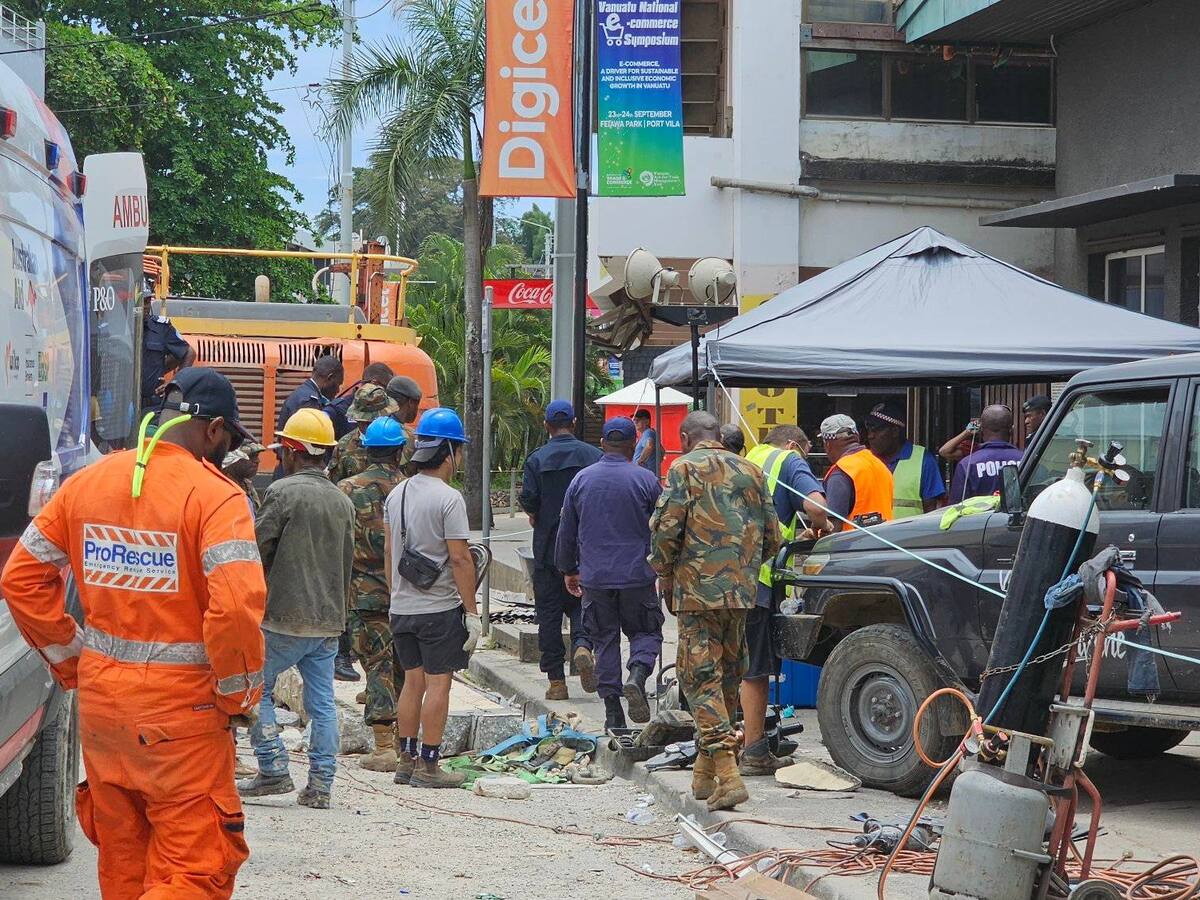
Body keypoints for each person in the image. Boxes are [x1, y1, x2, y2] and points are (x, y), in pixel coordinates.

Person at [1, 367, 265, 898]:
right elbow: (235, 607)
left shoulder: (89, 482)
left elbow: (21, 578)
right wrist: (239, 694)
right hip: (182, 723)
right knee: (195, 870)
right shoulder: (216, 497)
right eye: (228, 439)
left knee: (126, 866)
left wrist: (75, 661)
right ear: (213, 430)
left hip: (103, 713)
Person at [650, 411, 780, 812]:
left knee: (698, 679)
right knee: (726, 676)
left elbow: (666, 529)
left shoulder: (683, 468)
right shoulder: (751, 470)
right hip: (742, 591)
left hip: (697, 592)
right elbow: (773, 535)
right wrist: (743, 568)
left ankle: (728, 771)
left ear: (686, 437)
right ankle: (704, 777)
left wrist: (663, 569)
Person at [240, 408, 355, 810]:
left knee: (256, 691)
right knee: (322, 704)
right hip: (327, 621)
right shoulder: (343, 502)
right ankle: (321, 785)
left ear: (291, 450)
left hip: (282, 617)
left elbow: (255, 552)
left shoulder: (282, 493)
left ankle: (273, 769)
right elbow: (347, 563)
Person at [384, 408, 482, 789]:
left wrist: (397, 595)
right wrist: (472, 613)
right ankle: (429, 765)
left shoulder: (398, 493)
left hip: (401, 608)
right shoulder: (449, 498)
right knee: (439, 684)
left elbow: (391, 551)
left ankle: (405, 761)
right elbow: (459, 558)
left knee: (412, 683)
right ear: (449, 451)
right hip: (437, 609)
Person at [556, 417, 663, 730]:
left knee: (604, 641)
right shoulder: (646, 481)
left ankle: (614, 713)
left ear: (602, 443)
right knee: (646, 632)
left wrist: (568, 569)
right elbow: (663, 529)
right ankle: (638, 675)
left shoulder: (581, 481)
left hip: (596, 577)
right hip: (638, 576)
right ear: (634, 445)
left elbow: (567, 530)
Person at [741, 424, 828, 774]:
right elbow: (817, 505)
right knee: (755, 670)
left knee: (732, 664)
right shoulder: (788, 460)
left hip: (726, 578)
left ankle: (727, 742)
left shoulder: (749, 458)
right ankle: (754, 751)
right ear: (794, 444)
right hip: (760, 580)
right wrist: (824, 527)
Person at [519, 400, 603, 700]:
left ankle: (556, 682)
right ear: (575, 422)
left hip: (547, 550)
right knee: (584, 604)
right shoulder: (594, 456)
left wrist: (536, 513)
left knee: (549, 615)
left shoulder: (537, 459)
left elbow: (528, 499)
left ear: (546, 426)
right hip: (587, 549)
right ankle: (582, 644)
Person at [337, 417, 408, 772]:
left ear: (366, 450)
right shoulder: (409, 488)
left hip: (363, 593)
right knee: (402, 664)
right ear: (399, 450)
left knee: (377, 665)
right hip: (408, 592)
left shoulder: (347, 489)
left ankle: (384, 746)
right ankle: (403, 739)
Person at [864, 402, 946, 518]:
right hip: (868, 534)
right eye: (869, 429)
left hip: (909, 535)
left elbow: (932, 510)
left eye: (876, 430)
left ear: (895, 431)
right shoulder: (865, 460)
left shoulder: (923, 460)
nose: (870, 436)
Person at [817, 414, 894, 533]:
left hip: (852, 548)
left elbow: (833, 528)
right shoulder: (879, 465)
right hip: (884, 545)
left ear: (827, 444)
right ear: (857, 437)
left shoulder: (841, 473)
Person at [949, 404, 1024, 502]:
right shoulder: (1025, 459)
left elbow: (956, 507)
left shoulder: (968, 464)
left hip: (978, 518)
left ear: (981, 430)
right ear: (1012, 430)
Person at [330, 383, 401, 484]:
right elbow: (335, 486)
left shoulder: (405, 439)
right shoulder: (344, 446)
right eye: (364, 422)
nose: (367, 426)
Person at [139, 292, 196, 415]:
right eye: (140, 301)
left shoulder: (161, 328)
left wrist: (175, 382)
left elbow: (188, 352)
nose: (144, 306)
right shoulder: (118, 327)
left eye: (147, 302)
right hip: (120, 402)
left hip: (151, 405)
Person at [276, 355, 344, 434]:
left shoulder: (303, 393)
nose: (338, 390)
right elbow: (309, 438)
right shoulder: (309, 402)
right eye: (338, 384)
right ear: (329, 378)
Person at [327, 362, 395, 440]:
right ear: (374, 383)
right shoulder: (338, 409)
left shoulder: (387, 407)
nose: (387, 393)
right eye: (386, 387)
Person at [223, 440, 265, 517]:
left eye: (257, 456)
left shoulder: (247, 485)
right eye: (251, 457)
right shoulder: (222, 487)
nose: (257, 461)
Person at [633, 409, 658, 473]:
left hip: (643, 472)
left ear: (647, 422)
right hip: (648, 471)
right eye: (634, 420)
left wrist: (640, 461)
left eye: (638, 420)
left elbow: (649, 446)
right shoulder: (650, 433)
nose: (635, 422)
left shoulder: (647, 432)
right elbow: (662, 451)